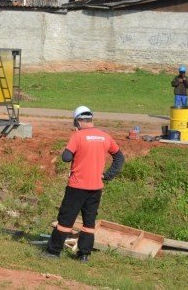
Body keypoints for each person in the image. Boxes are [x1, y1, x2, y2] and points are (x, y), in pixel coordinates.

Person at [43, 106, 125, 263]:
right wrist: (108, 175)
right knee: (89, 222)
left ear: (78, 121)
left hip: (77, 187)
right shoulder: (104, 136)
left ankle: (53, 252)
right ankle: (84, 254)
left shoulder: (77, 136)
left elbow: (66, 157)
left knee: (65, 220)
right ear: (91, 120)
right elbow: (119, 158)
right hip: (96, 187)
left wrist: (69, 149)